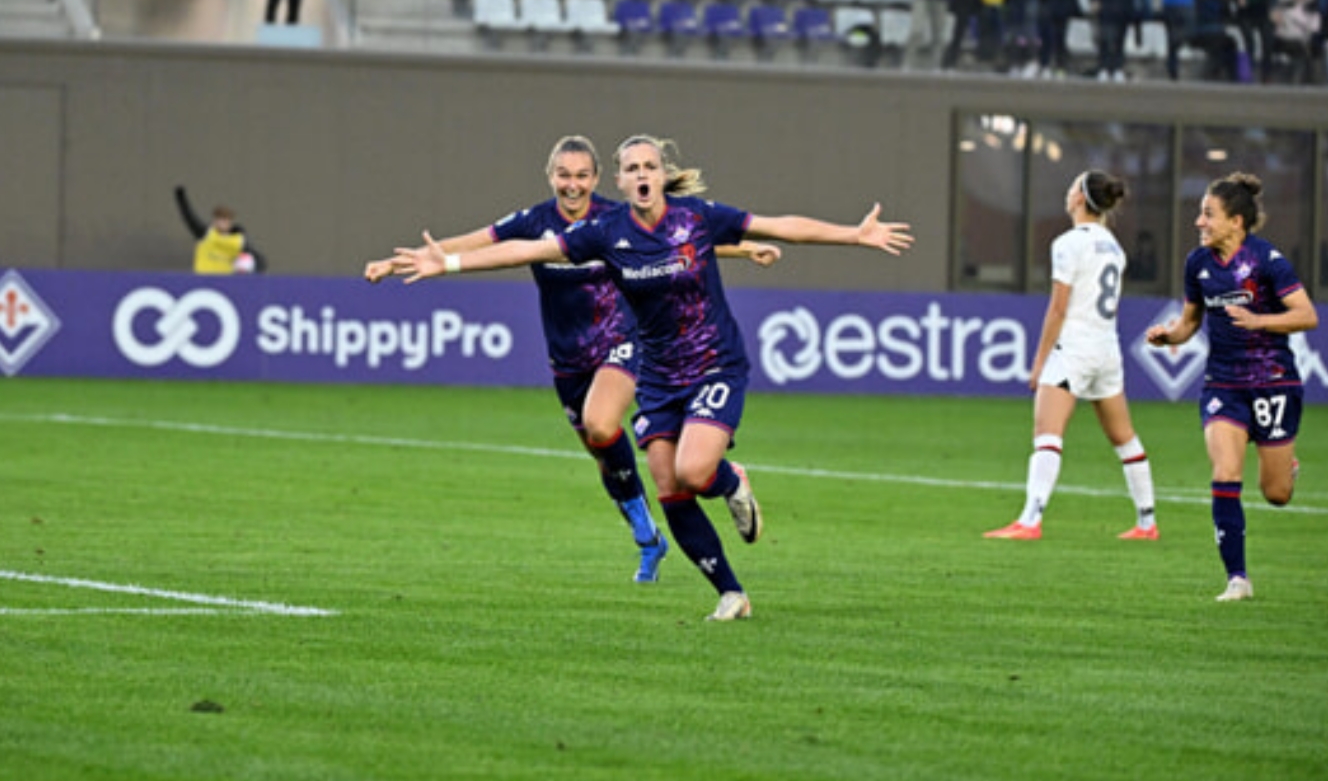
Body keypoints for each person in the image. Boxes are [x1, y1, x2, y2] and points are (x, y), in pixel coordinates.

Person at [387, 134, 914, 621]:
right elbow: (528, 249)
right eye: (633, 168)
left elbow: (780, 226)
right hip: (659, 375)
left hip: (712, 363)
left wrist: (854, 235)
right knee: (668, 484)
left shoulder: (697, 217)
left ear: (662, 174)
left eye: (650, 166)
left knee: (693, 471)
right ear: (620, 180)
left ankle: (732, 481)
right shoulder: (606, 231)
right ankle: (732, 594)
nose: (642, 174)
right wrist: (448, 263)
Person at [364, 136, 782, 586]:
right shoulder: (534, 221)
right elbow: (475, 243)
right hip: (567, 358)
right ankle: (646, 535)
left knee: (601, 424)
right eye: (564, 175)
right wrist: (404, 262)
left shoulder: (614, 218)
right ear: (550, 176)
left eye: (582, 175)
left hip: (621, 342)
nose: (573, 184)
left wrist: (744, 248)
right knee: (604, 456)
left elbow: (676, 243)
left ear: (598, 178)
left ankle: (709, 486)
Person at [1146, 172, 1319, 602]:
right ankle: (1237, 579)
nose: (1199, 222)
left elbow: (1307, 315)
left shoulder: (1266, 260)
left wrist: (1260, 320)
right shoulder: (1198, 264)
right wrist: (1170, 336)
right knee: (1225, 473)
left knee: (1276, 494)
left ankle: (1285, 466)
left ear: (1236, 222)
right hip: (1223, 382)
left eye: (1208, 214)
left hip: (1274, 381)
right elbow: (1190, 321)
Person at [985, 171, 1158, 542]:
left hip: (1075, 348)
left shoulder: (1068, 243)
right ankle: (1147, 522)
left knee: (1047, 434)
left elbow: (1058, 308)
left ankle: (1029, 521)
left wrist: (1039, 362)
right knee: (1124, 438)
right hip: (1106, 348)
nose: (1067, 194)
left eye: (1071, 188)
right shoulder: (1113, 246)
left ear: (1080, 197)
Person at [174, 185, 264, 275]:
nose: (222, 223)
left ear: (230, 222)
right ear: (214, 221)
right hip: (204, 278)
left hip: (225, 280)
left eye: (225, 220)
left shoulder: (239, 240)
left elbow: (259, 260)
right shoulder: (206, 234)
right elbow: (190, 218)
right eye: (219, 220)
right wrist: (181, 198)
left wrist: (253, 270)